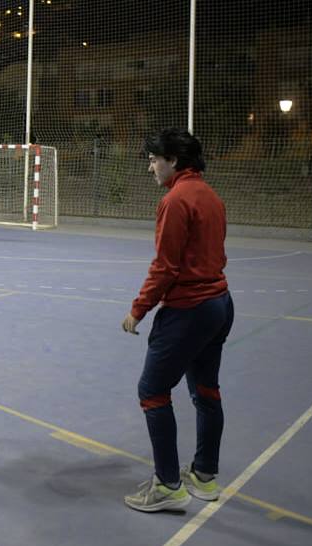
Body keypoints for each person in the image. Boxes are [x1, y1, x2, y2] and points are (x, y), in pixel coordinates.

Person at [122, 128, 234, 513]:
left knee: (152, 391)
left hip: (190, 309)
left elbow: (165, 267)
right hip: (220, 304)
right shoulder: (210, 195)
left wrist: (139, 308)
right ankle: (205, 476)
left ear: (173, 160)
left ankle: (168, 485)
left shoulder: (176, 199)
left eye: (154, 159)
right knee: (206, 392)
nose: (151, 166)